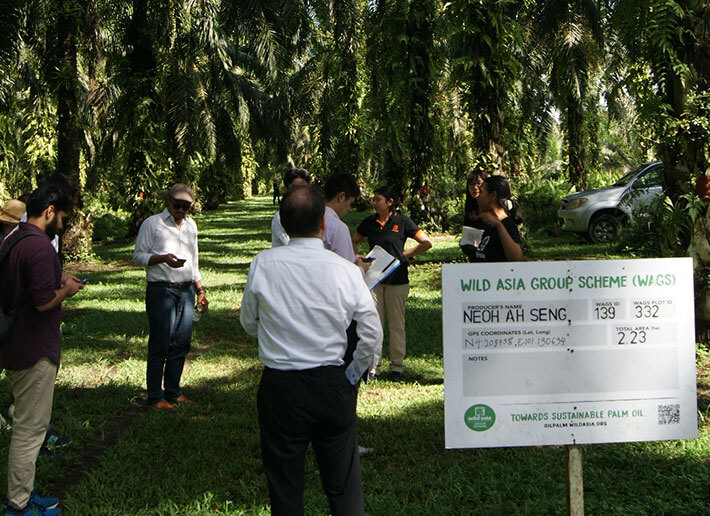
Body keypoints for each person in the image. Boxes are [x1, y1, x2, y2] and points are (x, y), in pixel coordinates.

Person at [240, 185, 382, 516]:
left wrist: (276, 338)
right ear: (323, 223)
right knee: (344, 487)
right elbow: (371, 332)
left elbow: (249, 323)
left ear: (284, 225)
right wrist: (350, 374)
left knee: (285, 487)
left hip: (280, 388)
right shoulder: (345, 269)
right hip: (331, 384)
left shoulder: (263, 264)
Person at [0, 185, 84, 516]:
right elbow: (43, 299)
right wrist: (67, 290)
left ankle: (21, 496)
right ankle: (19, 505)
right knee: (30, 430)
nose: (63, 225)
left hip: (17, 345)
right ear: (49, 211)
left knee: (26, 423)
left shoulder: (15, 238)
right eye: (62, 217)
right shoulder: (38, 247)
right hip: (34, 350)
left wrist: (58, 283)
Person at [132, 183, 208, 411]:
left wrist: (200, 290)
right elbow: (138, 256)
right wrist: (162, 258)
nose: (181, 210)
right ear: (168, 202)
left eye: (186, 207)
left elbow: (194, 261)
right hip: (161, 290)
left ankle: (174, 391)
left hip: (186, 290)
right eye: (177, 205)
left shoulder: (191, 226)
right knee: (160, 343)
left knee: (181, 343)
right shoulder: (153, 224)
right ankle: (156, 396)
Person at [352, 186, 432, 380]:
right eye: (374, 199)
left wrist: (405, 255)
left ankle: (397, 367)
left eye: (378, 199)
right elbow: (353, 240)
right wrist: (358, 257)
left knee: (397, 325)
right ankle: (373, 367)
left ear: (390, 202)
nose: (374, 202)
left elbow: (426, 242)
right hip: (374, 281)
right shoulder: (369, 222)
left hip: (398, 281)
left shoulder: (402, 222)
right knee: (374, 323)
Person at [470, 175, 524, 262]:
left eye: (481, 192)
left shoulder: (507, 225)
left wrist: (499, 226)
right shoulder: (488, 223)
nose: (478, 197)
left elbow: (516, 259)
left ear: (493, 195)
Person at [271, 167, 311, 247]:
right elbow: (290, 244)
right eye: (296, 188)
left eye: (304, 188)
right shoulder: (280, 217)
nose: (300, 192)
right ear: (286, 190)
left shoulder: (315, 215)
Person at [461, 169, 488, 262]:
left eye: (479, 183)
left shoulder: (495, 207)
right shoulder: (470, 209)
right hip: (476, 258)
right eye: (471, 185)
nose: (475, 188)